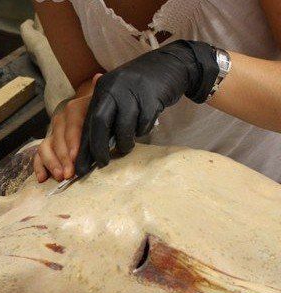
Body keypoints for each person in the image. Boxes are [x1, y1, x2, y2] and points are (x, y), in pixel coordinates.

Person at [33, 0, 281, 183]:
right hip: (158, 185)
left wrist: (200, 66)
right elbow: (89, 79)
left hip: (268, 180)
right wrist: (89, 106)